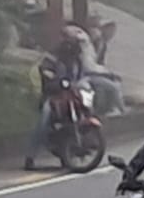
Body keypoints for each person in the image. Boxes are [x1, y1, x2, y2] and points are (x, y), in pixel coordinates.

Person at [24, 25, 94, 170]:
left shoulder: (78, 58)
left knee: (87, 109)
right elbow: (44, 69)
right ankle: (30, 156)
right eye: (74, 41)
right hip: (54, 95)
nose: (76, 45)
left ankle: (80, 145)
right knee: (44, 119)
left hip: (72, 95)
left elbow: (82, 74)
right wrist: (54, 79)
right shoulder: (54, 54)